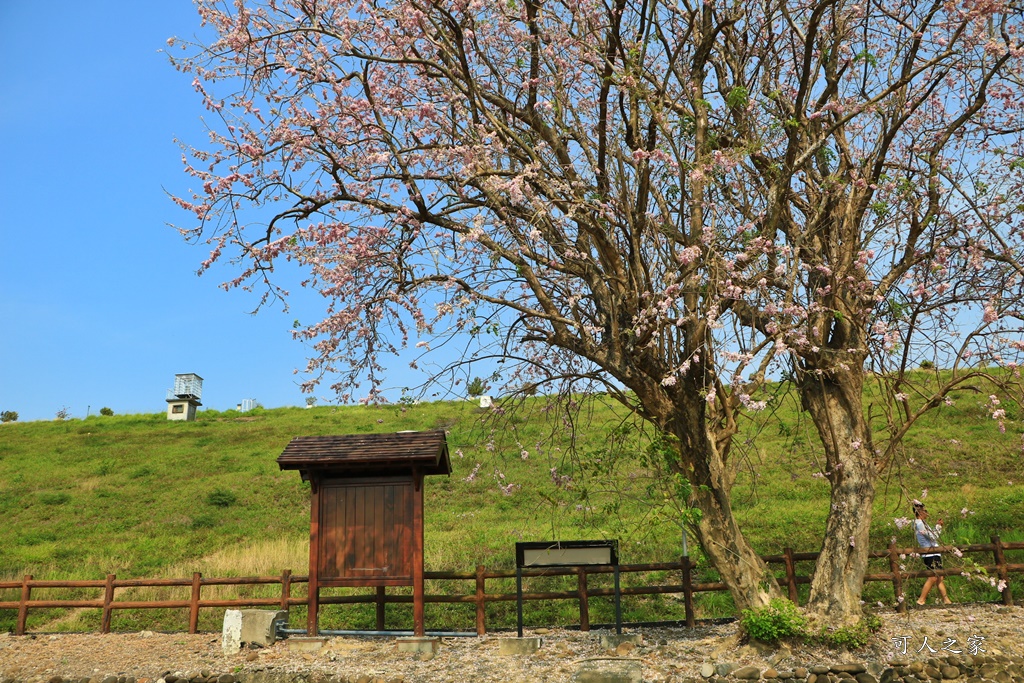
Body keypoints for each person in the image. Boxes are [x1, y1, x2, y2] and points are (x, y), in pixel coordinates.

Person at [913, 501, 951, 605]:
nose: (927, 513)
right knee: (933, 577)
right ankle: (921, 599)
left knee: (940, 577)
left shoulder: (923, 524)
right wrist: (938, 527)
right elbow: (932, 537)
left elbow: (931, 536)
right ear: (920, 512)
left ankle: (946, 600)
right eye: (925, 511)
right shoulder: (919, 524)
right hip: (929, 553)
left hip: (934, 552)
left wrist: (937, 526)